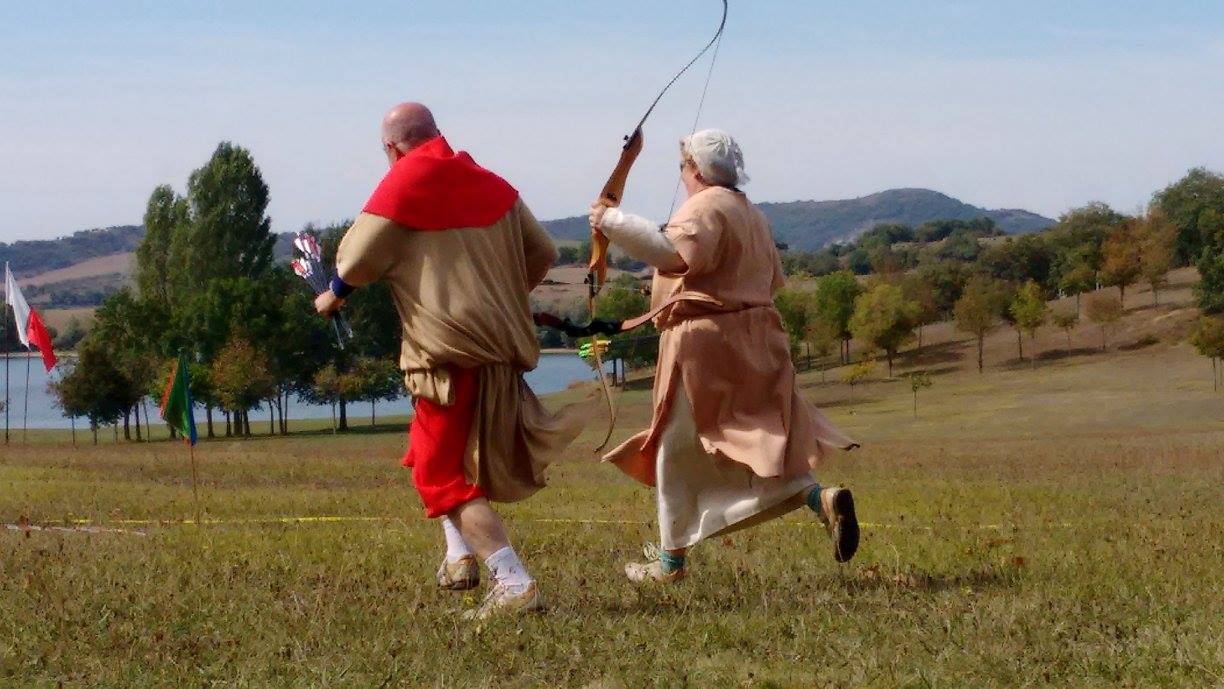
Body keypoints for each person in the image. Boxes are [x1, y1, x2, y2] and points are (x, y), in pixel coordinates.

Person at [316, 102, 594, 618]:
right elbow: (543, 252)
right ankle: (459, 556)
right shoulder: (492, 183)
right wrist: (500, 299)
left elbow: (354, 261)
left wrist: (333, 294)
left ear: (391, 148)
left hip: (448, 354)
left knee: (438, 474)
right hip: (499, 350)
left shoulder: (404, 180)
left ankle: (513, 582)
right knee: (430, 449)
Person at [589, 129, 861, 583]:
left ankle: (670, 563)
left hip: (706, 345)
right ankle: (820, 499)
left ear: (695, 169)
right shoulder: (752, 213)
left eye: (683, 166)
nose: (681, 175)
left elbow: (674, 255)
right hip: (758, 341)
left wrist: (611, 221)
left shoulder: (705, 206)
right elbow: (770, 280)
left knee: (676, 447)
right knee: (754, 441)